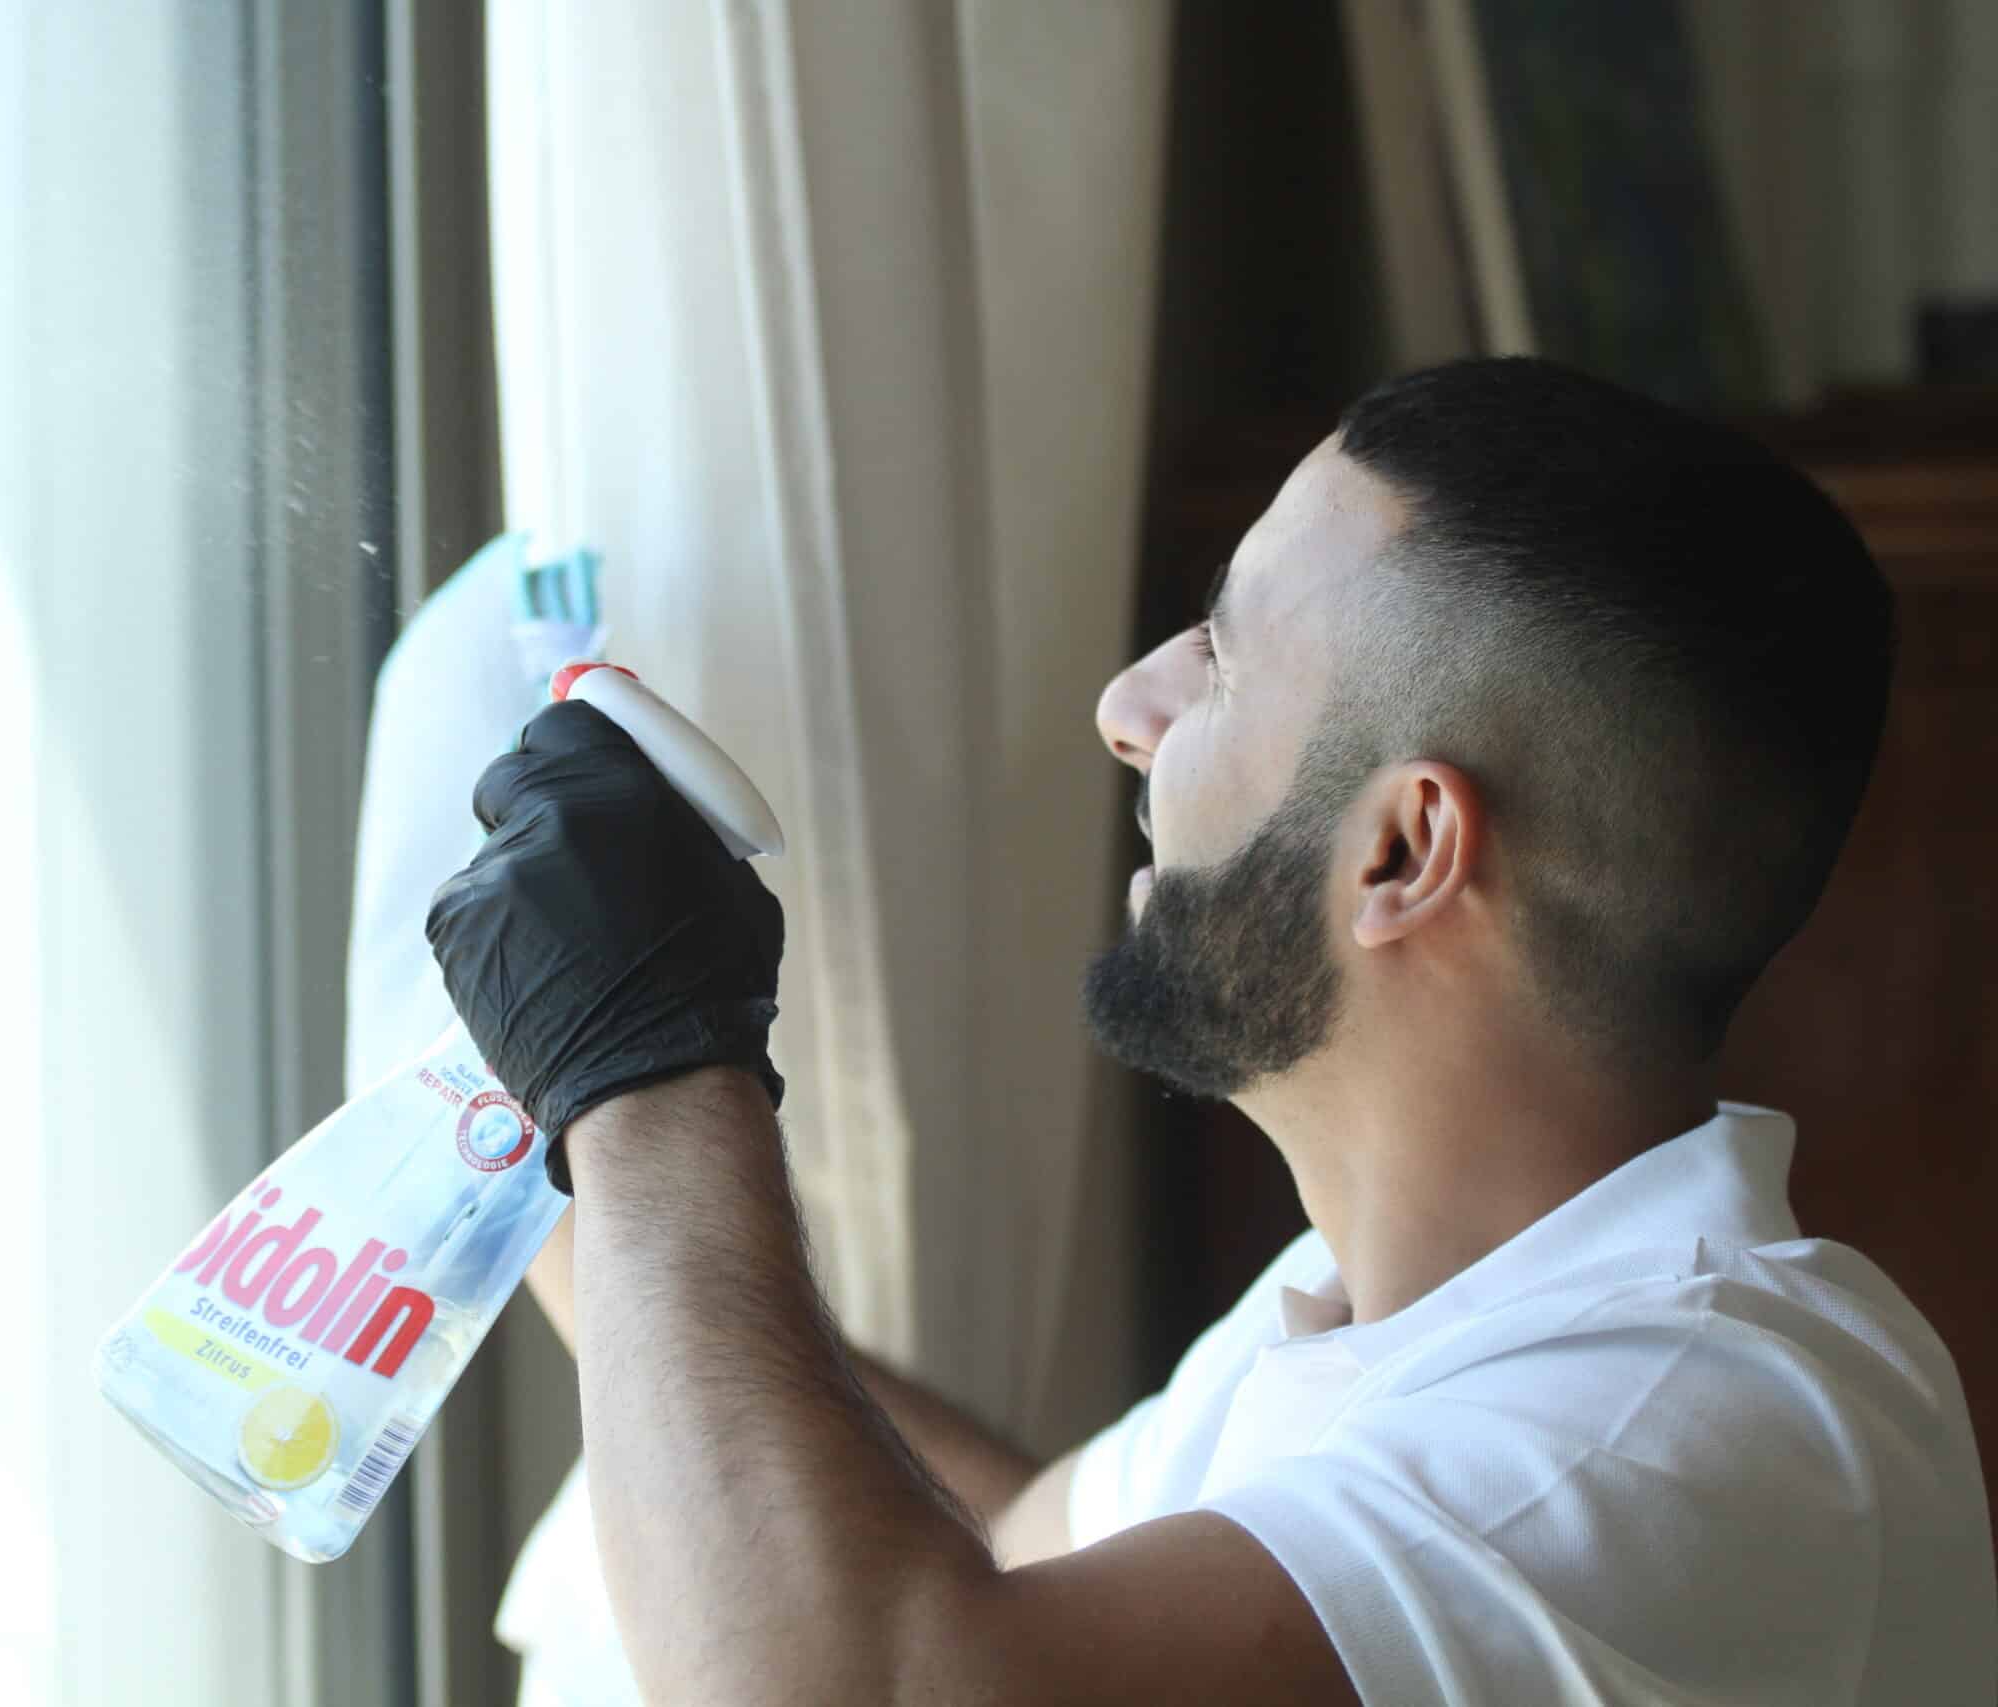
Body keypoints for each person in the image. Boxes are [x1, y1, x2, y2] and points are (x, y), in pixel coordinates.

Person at [426, 357, 1997, 1705]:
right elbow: (1000, 1560)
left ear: (1402, 851)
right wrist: (573, 1175)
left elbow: (876, 1682)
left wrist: (646, 1063)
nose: (1130, 705)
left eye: (1222, 656)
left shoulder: (1670, 1430)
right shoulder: (1378, 1320)